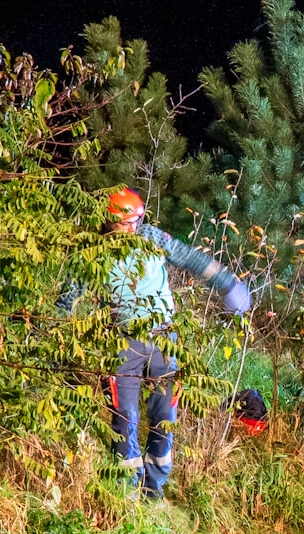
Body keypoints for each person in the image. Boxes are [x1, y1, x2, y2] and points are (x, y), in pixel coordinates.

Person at [94, 187, 252, 499]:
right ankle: (126, 493)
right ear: (110, 222)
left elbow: (188, 257)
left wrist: (227, 283)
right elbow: (71, 296)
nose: (132, 229)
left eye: (136, 221)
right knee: (124, 417)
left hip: (165, 340)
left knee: (165, 415)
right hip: (121, 343)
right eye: (125, 223)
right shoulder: (95, 253)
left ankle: (154, 491)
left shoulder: (152, 238)